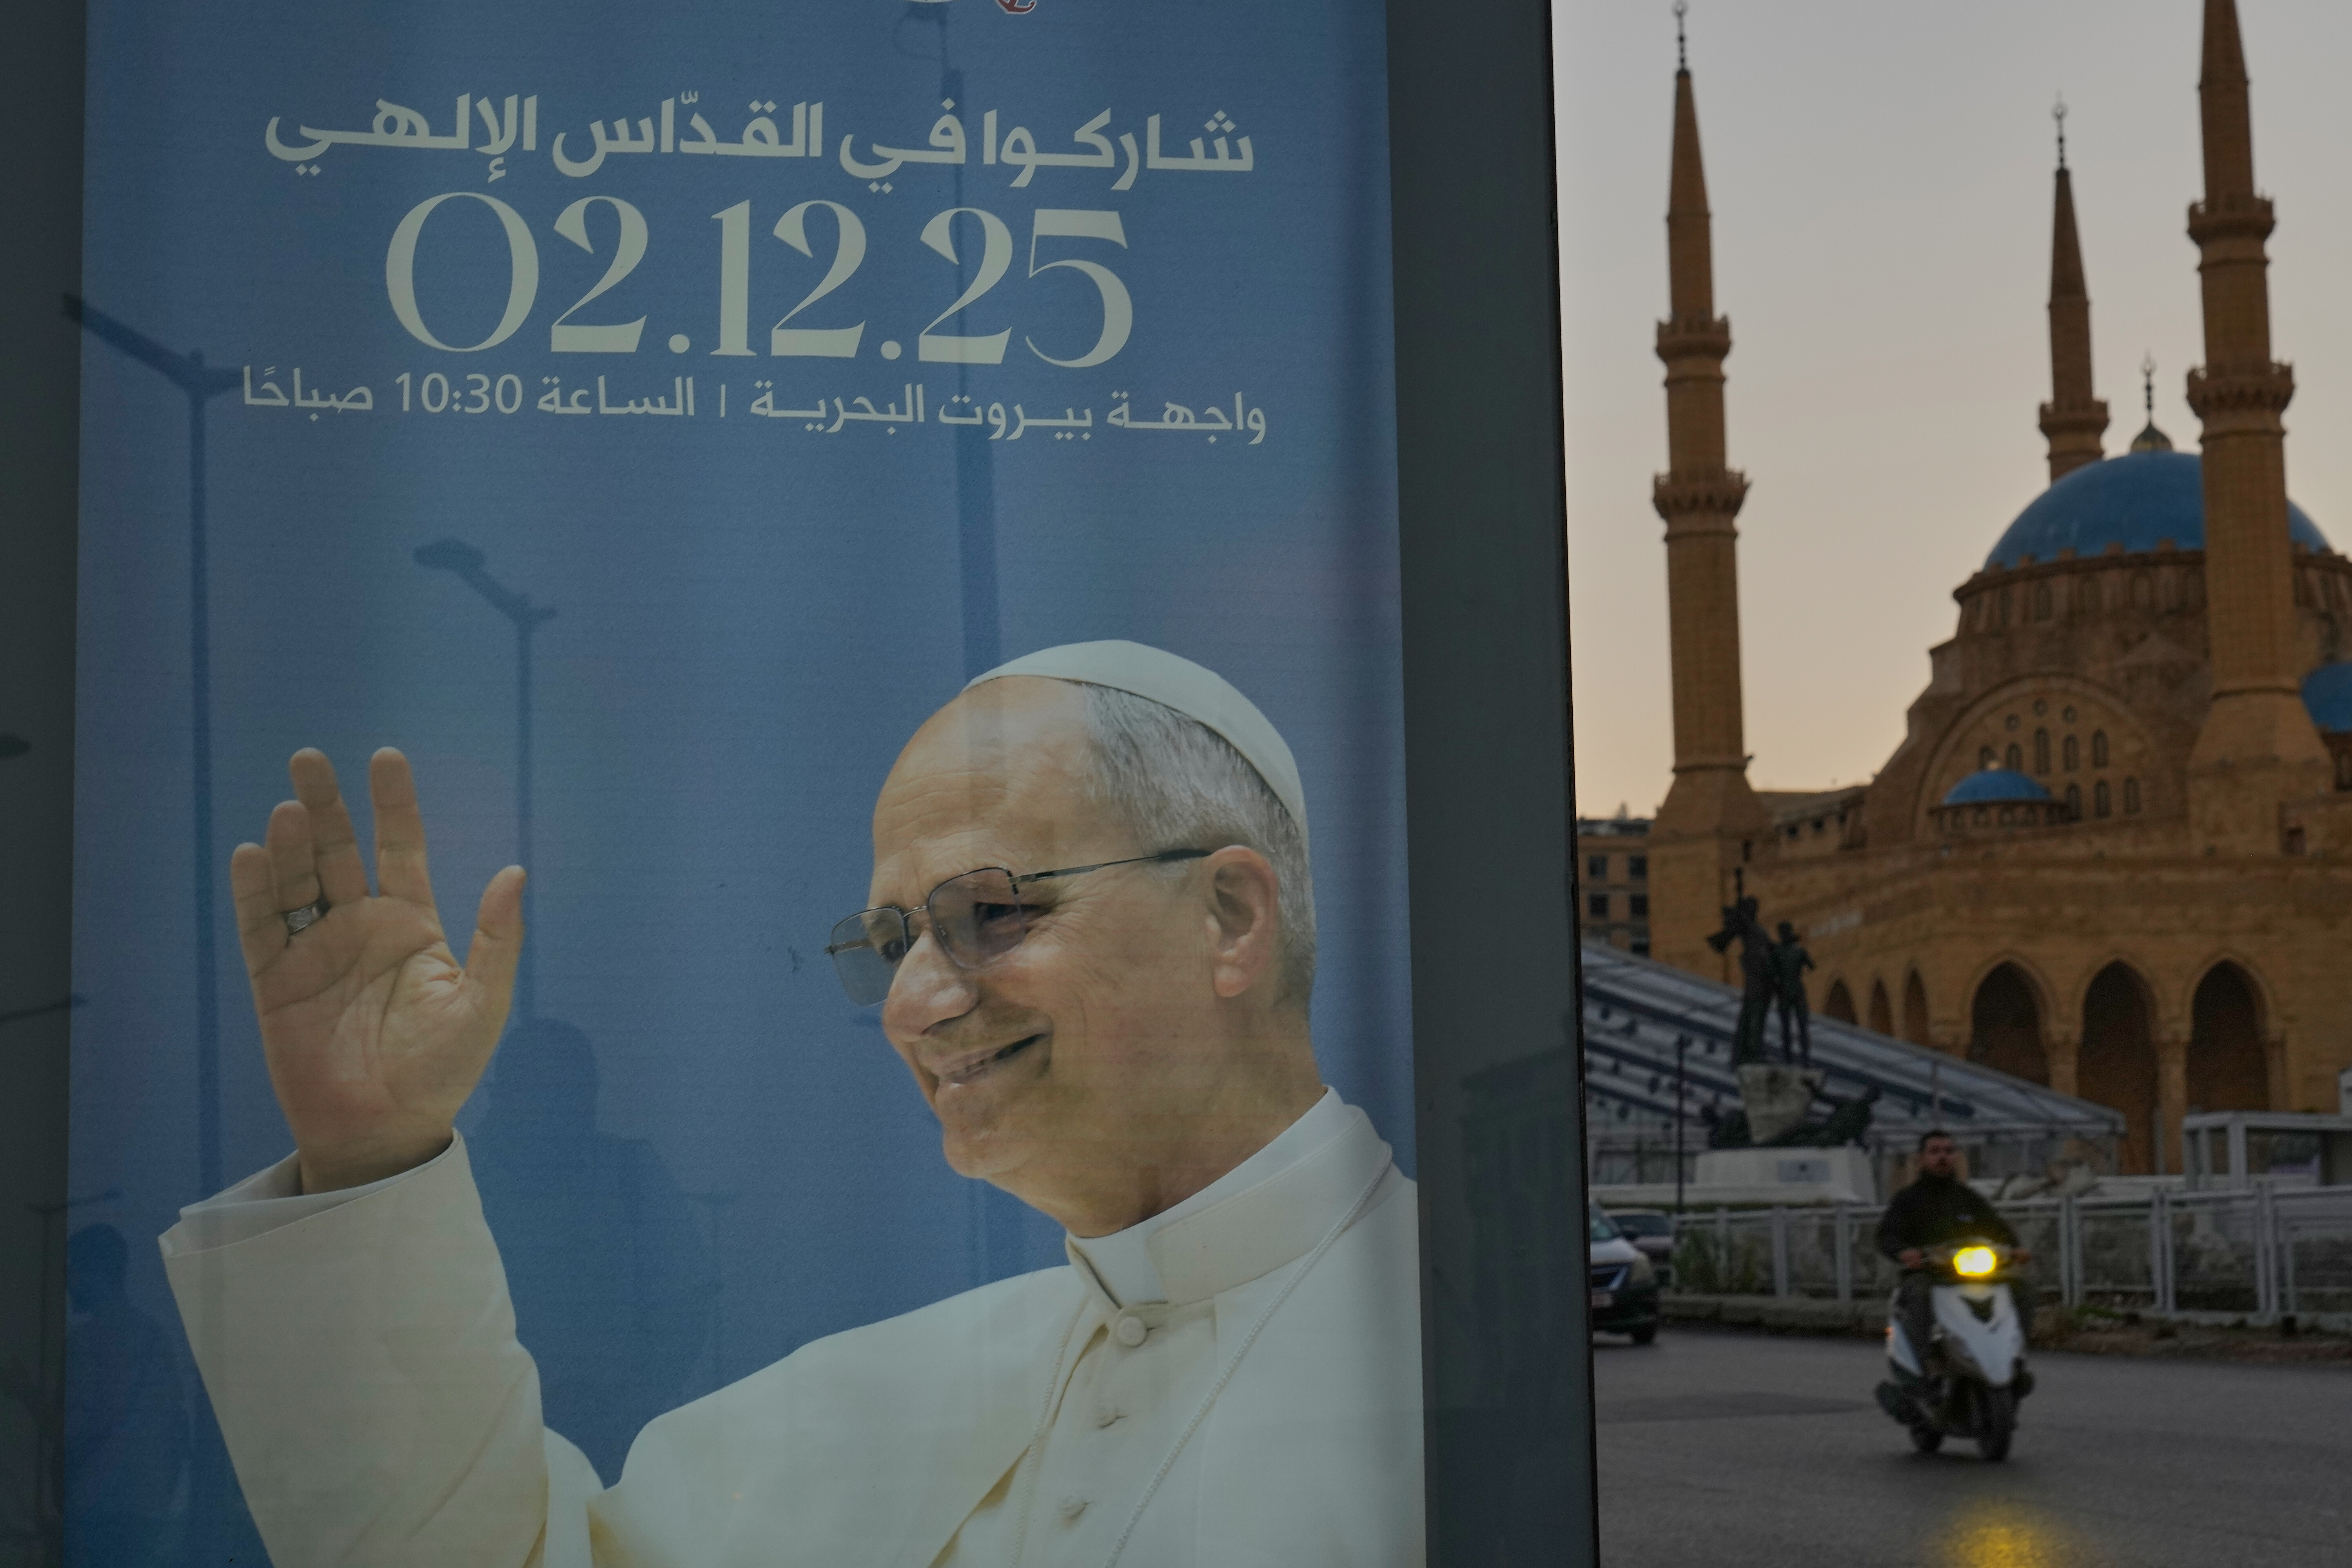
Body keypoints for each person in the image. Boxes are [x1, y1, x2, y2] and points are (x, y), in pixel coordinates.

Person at [158, 641, 1421, 1567]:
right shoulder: (888, 1390)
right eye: (885, 941)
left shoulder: (1468, 1348)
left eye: (989, 911)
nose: (913, 1003)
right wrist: (375, 1154)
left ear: (1228, 917)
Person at [1874, 1130, 2022, 1382]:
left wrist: (2016, 1248)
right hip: (1928, 1274)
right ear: (1921, 1159)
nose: (1942, 1157)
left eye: (1948, 1151)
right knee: (1919, 1293)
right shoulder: (1908, 1200)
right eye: (1935, 1152)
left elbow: (1998, 1229)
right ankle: (1927, 1359)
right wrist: (1903, 1252)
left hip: (1973, 1274)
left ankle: (2014, 1354)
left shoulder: (1969, 1199)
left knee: (2021, 1290)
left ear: (1956, 1157)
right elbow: (1887, 1235)